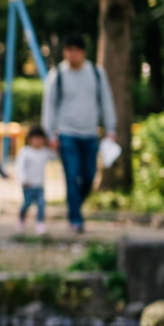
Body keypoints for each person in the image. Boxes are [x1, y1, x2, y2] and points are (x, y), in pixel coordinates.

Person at [42, 39, 118, 234]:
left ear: (83, 52)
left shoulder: (96, 73)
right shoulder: (57, 74)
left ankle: (74, 208)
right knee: (71, 176)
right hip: (66, 133)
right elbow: (49, 106)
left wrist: (111, 128)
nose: (72, 54)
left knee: (89, 175)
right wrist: (49, 134)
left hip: (90, 133)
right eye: (69, 50)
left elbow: (106, 100)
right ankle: (75, 219)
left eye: (76, 50)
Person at [16, 125, 53, 234]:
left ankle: (40, 222)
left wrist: (53, 145)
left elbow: (54, 157)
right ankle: (21, 217)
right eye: (35, 138)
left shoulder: (45, 151)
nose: (37, 141)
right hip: (28, 184)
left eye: (40, 138)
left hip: (40, 184)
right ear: (29, 139)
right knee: (27, 203)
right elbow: (20, 167)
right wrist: (23, 179)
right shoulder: (25, 151)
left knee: (41, 204)